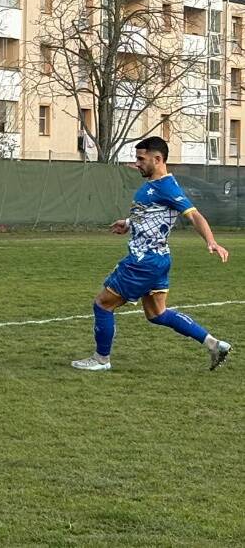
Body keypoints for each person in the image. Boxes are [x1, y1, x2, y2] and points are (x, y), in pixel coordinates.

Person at [72, 136, 231, 372]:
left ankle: (101, 359)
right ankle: (214, 344)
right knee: (157, 314)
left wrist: (211, 241)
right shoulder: (152, 186)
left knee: (103, 304)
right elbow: (150, 214)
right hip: (158, 259)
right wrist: (128, 223)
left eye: (141, 158)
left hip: (142, 261)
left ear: (158, 159)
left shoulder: (167, 186)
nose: (137, 163)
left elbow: (194, 215)